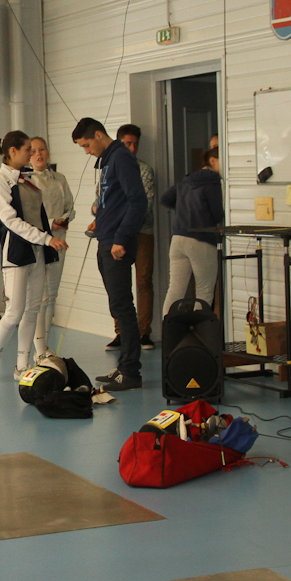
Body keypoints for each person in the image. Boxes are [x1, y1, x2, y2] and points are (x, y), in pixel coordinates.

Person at [0, 130, 66, 382]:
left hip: (36, 253)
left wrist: (47, 239)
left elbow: (38, 216)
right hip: (16, 255)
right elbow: (12, 222)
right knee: (14, 312)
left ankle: (21, 366)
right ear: (13, 151)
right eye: (28, 149)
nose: (32, 153)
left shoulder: (27, 181)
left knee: (32, 310)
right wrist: (47, 238)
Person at [73, 117, 146, 391]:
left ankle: (131, 372)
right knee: (117, 306)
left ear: (98, 135)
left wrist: (121, 237)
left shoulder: (121, 158)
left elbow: (138, 201)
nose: (86, 151)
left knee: (123, 307)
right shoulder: (108, 160)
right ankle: (123, 366)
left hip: (117, 244)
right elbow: (112, 201)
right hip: (106, 240)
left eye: (86, 145)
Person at [23, 136, 74, 360]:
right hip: (38, 242)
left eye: (42, 149)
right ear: (28, 156)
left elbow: (70, 206)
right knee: (40, 298)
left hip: (59, 240)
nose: (38, 154)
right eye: (33, 151)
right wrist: (50, 223)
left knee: (52, 295)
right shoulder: (26, 181)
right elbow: (27, 214)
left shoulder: (59, 179)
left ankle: (44, 346)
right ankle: (38, 349)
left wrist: (64, 219)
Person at [160, 147, 224, 310]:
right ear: (213, 161)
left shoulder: (186, 180)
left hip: (178, 238)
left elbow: (165, 198)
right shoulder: (212, 181)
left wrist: (183, 208)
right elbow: (217, 214)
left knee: (175, 290)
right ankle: (200, 326)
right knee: (204, 291)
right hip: (201, 239)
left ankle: (167, 325)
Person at [115, 124, 156, 350]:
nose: (132, 148)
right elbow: (99, 200)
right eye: (127, 144)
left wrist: (124, 222)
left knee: (143, 281)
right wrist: (97, 212)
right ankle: (120, 332)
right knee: (119, 284)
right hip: (116, 234)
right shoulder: (111, 167)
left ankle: (143, 332)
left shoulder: (145, 170)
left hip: (142, 232)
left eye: (135, 144)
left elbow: (145, 205)